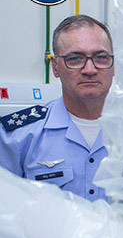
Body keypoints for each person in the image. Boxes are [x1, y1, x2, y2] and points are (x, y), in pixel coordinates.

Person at [0, 15, 114, 202]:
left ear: (113, 64)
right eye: (75, 58)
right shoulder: (18, 136)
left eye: (101, 57)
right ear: (55, 66)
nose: (90, 69)